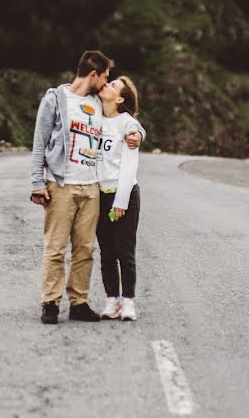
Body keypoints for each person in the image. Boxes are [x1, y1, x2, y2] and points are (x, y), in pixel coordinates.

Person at [30, 50, 144, 325]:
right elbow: (39, 142)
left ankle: (79, 302)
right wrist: (37, 182)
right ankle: (50, 303)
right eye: (105, 77)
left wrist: (138, 134)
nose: (107, 82)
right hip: (61, 185)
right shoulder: (55, 99)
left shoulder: (98, 101)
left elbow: (126, 119)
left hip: (92, 188)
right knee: (56, 248)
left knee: (85, 250)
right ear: (93, 75)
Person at [95, 76, 142, 321]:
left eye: (113, 85)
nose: (108, 84)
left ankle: (128, 302)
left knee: (125, 251)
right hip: (99, 196)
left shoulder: (127, 123)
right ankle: (111, 300)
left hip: (123, 195)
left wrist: (121, 201)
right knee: (106, 251)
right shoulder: (94, 115)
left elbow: (129, 164)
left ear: (120, 98)